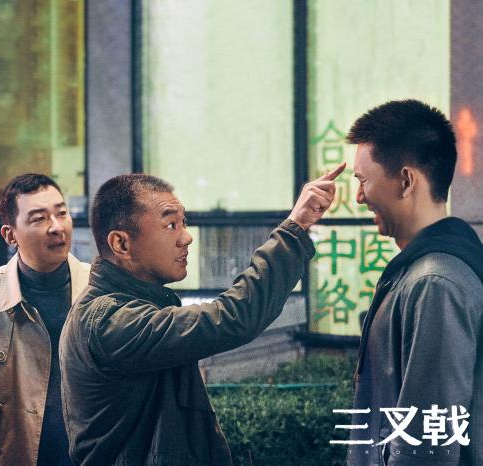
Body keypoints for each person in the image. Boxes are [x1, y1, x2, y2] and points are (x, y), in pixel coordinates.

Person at [59, 165, 345, 466]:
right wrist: (295, 226)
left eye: (184, 223)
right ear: (121, 244)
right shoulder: (110, 321)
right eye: (170, 225)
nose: (186, 238)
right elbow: (234, 317)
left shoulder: (132, 307)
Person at [347, 99, 483, 465]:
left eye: (363, 180)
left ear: (406, 181)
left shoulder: (435, 284)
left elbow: (426, 448)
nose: (359, 197)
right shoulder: (431, 272)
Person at [0, 173, 90, 466]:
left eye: (62, 213)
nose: (56, 227)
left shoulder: (97, 290)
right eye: (39, 219)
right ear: (10, 235)